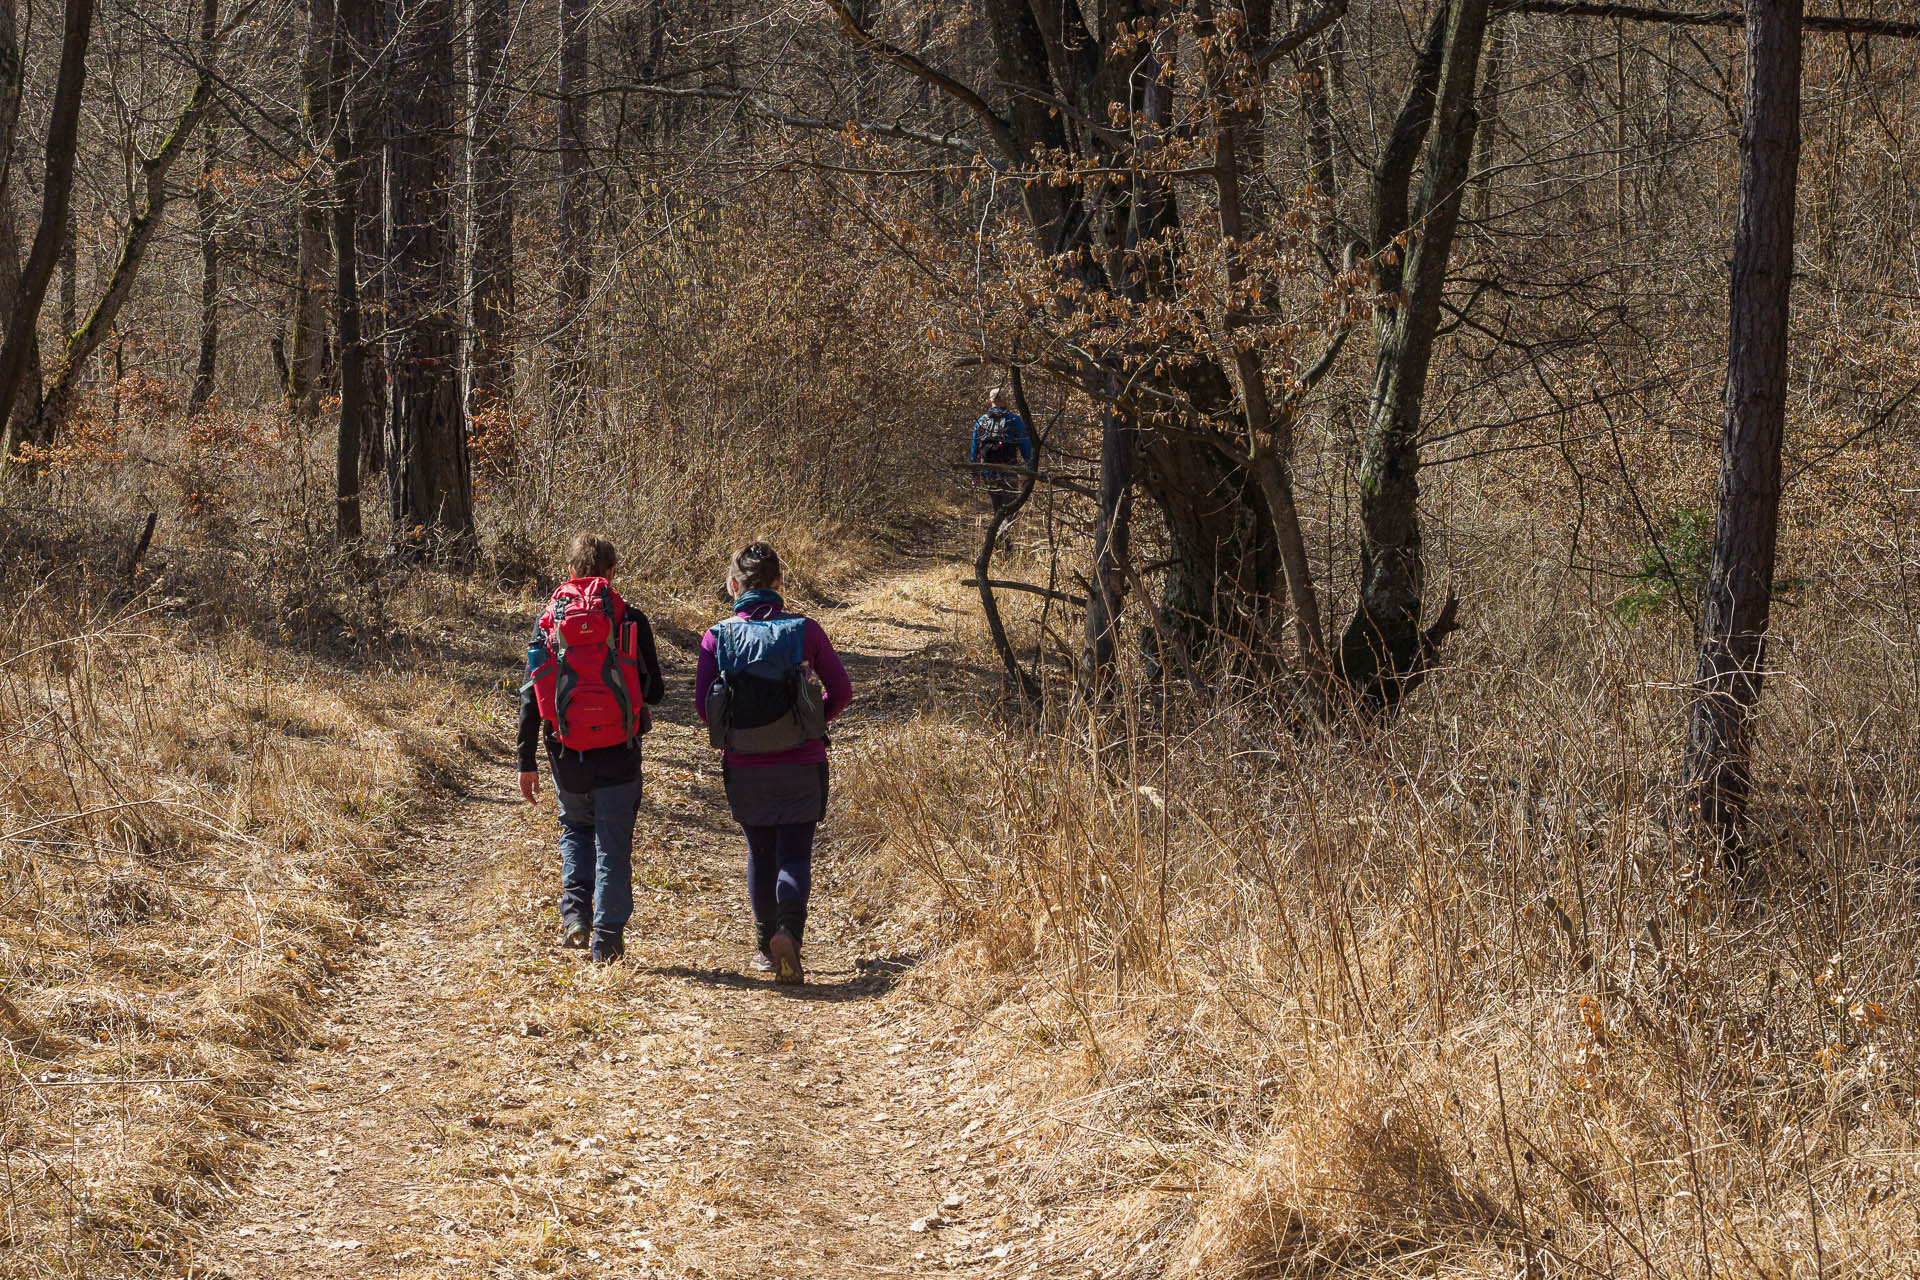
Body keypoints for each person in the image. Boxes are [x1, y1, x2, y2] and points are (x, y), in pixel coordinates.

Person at [694, 542, 852, 985]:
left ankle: (766, 948)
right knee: (794, 855)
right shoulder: (806, 631)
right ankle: (789, 933)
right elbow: (841, 692)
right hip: (802, 761)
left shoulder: (717, 636)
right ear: (781, 584)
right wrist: (810, 716)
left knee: (760, 853)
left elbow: (704, 709)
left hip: (745, 764)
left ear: (733, 585)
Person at [518, 534, 665, 964]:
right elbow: (654, 690)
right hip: (619, 751)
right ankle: (607, 939)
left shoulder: (549, 622)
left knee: (576, 827)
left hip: (567, 755)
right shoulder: (631, 619)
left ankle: (576, 918)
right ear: (612, 572)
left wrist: (526, 760)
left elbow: (531, 695)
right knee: (612, 841)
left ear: (570, 572)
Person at [970, 386, 1035, 512]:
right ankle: (1004, 529)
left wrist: (975, 474)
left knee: (997, 507)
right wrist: (1030, 470)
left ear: (990, 401)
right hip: (1009, 469)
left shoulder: (981, 421)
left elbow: (975, 450)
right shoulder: (1014, 420)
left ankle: (998, 528)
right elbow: (1025, 446)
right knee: (1009, 508)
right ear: (1006, 400)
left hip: (989, 472)